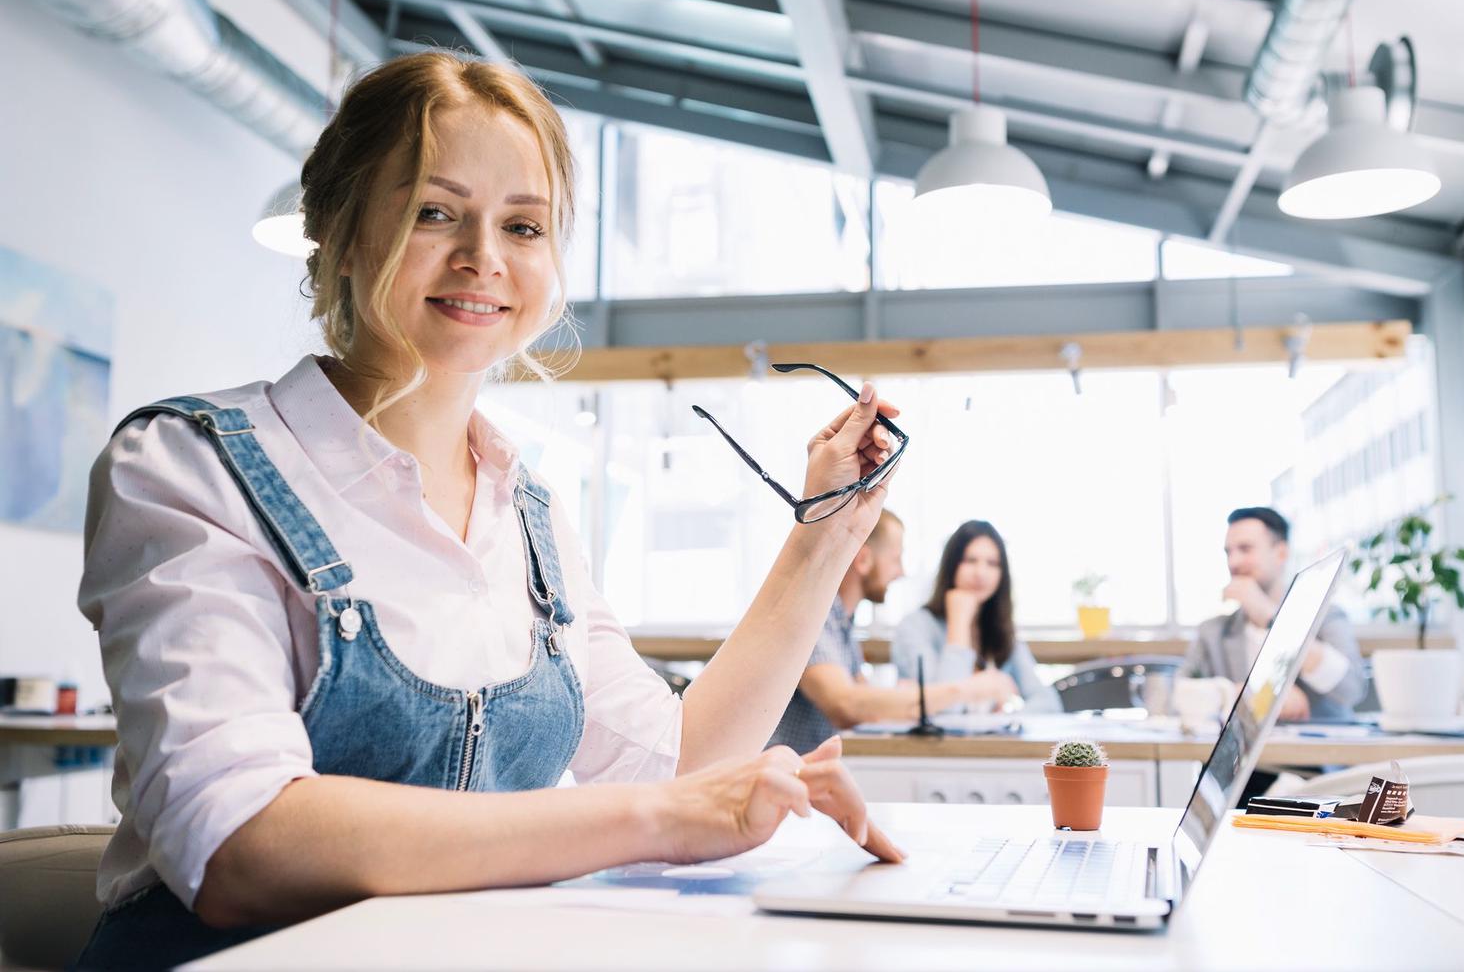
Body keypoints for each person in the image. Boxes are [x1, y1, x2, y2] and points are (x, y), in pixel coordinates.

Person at [75, 52, 905, 970]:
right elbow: (239, 841)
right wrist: (661, 820)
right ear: (340, 232)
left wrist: (825, 532)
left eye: (523, 225)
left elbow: (673, 763)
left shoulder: (529, 515)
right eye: (436, 211)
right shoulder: (188, 466)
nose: (484, 257)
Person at [768, 510, 1016, 750]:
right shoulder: (813, 615)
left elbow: (867, 702)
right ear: (864, 560)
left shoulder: (842, 623)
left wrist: (899, 699)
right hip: (780, 780)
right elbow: (847, 705)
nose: (901, 572)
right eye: (896, 559)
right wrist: (968, 689)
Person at [1180, 506, 1366, 722]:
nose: (1233, 562)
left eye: (1245, 549)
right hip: (1247, 755)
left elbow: (1352, 689)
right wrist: (1247, 696)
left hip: (1318, 754)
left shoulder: (1326, 616)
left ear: (1281, 554)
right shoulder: (1213, 631)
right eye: (1228, 552)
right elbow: (1176, 697)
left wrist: (1273, 619)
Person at [891, 519, 1062, 713]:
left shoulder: (1000, 630)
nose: (981, 573)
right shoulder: (915, 627)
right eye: (970, 560)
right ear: (951, 565)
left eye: (992, 563)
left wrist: (1006, 717)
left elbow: (1049, 703)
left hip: (991, 743)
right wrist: (959, 623)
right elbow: (942, 712)